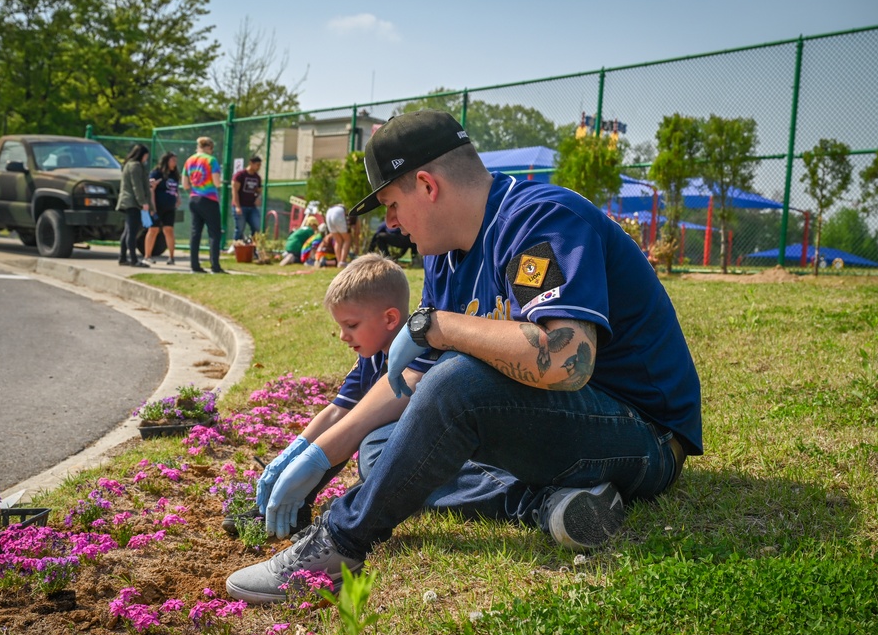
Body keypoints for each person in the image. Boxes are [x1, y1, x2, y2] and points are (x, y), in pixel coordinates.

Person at [226, 109, 703, 604]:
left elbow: (568, 361)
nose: (390, 222)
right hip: (555, 427)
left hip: (643, 435)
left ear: (427, 186)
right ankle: (547, 503)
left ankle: (338, 544)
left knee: (456, 383)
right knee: (379, 451)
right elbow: (415, 375)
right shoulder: (443, 252)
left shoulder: (537, 219)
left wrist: (439, 326)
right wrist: (323, 454)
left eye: (390, 203)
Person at [223, 253, 432, 537]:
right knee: (336, 436)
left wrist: (316, 457)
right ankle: (294, 506)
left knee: (371, 448)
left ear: (390, 319)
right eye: (341, 326)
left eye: (352, 325)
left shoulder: (419, 354)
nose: (343, 336)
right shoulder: (370, 358)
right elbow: (338, 412)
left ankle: (344, 511)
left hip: (419, 455)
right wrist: (294, 455)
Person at [182, 137, 226, 274]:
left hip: (194, 198)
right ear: (209, 147)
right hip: (209, 199)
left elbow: (185, 184)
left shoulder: (189, 161)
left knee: (195, 233)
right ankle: (215, 266)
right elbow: (217, 183)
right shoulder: (211, 160)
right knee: (214, 232)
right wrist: (222, 181)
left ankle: (194, 266)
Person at [116, 143, 152, 268]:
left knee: (127, 231)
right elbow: (137, 186)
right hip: (132, 202)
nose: (146, 159)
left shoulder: (128, 165)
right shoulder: (135, 166)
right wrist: (143, 202)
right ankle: (133, 260)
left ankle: (123, 257)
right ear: (141, 155)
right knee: (132, 232)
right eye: (146, 156)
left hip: (128, 201)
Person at [146, 152, 181, 265]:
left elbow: (176, 189)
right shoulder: (157, 173)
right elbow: (151, 188)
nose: (175, 163)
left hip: (169, 207)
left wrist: (178, 198)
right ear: (166, 161)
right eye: (173, 160)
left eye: (176, 161)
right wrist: (152, 207)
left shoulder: (174, 174)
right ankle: (147, 256)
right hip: (157, 207)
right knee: (153, 230)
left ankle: (171, 257)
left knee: (169, 230)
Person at [231, 156, 263, 245]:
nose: (259, 167)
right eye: (257, 165)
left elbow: (259, 191)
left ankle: (253, 247)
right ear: (251, 163)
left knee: (256, 227)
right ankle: (236, 246)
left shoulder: (257, 177)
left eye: (260, 165)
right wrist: (237, 206)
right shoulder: (240, 175)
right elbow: (234, 191)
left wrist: (257, 198)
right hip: (241, 206)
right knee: (240, 228)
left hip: (252, 207)